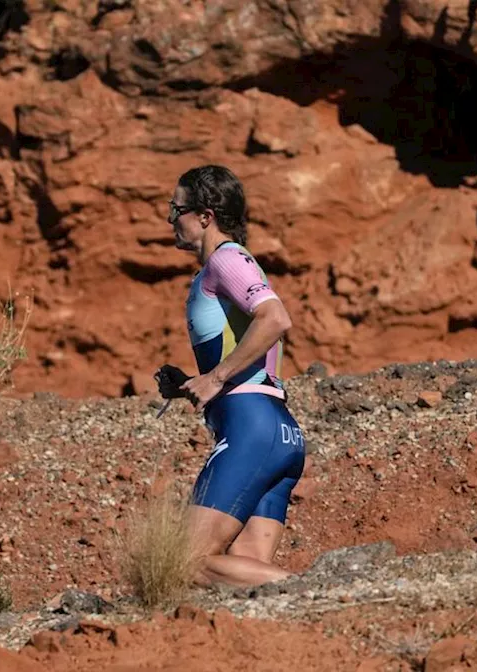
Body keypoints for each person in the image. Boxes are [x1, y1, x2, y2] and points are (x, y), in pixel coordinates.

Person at [154, 165, 305, 587]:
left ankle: (322, 591)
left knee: (184, 561)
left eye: (176, 209)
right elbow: (252, 358)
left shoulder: (227, 258)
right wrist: (192, 382)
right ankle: (315, 603)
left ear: (205, 215)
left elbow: (275, 318)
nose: (171, 220)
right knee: (242, 581)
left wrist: (216, 377)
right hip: (278, 431)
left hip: (250, 429)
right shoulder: (219, 268)